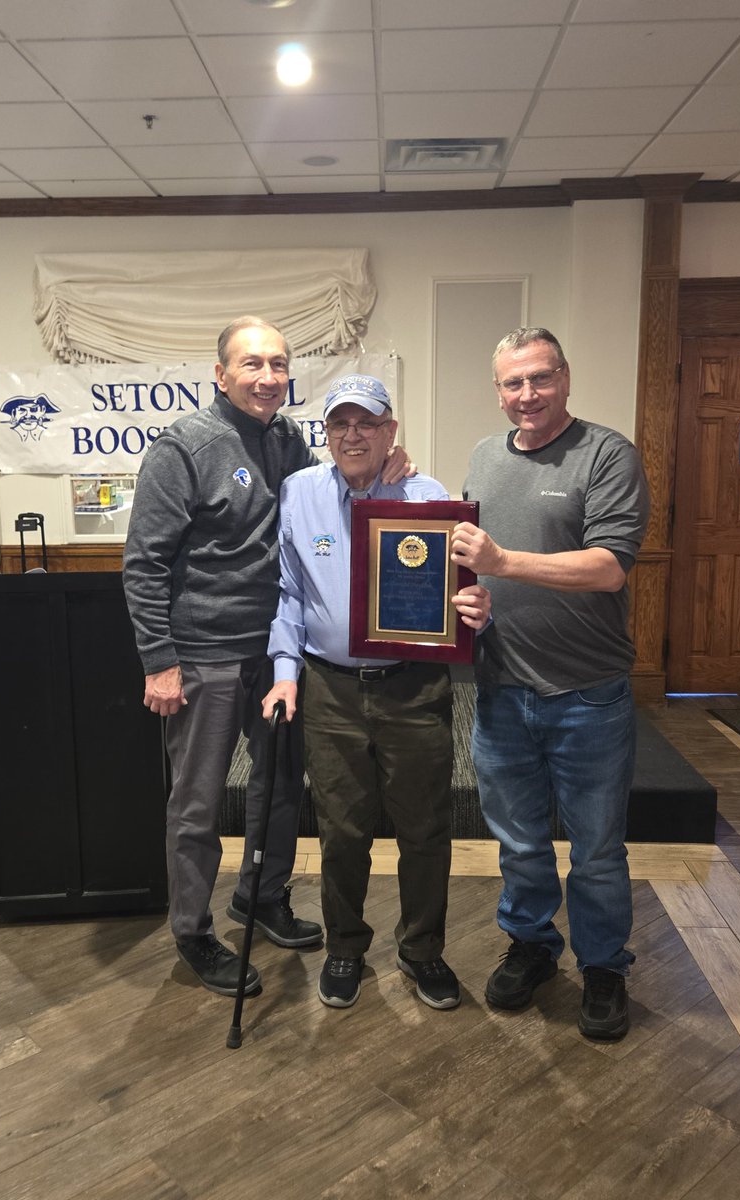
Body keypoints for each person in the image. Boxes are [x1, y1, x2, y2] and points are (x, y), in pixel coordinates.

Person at [122, 318, 410, 998]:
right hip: (204, 656)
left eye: (278, 364)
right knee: (197, 802)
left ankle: (261, 894)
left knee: (280, 785)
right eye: (252, 364)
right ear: (220, 374)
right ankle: (192, 930)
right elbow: (144, 564)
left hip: (280, 653)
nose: (268, 376)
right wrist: (160, 661)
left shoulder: (286, 441)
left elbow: (329, 498)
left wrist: (387, 470)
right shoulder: (184, 446)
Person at [263, 374, 490, 1010]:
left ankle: (423, 951)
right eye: (340, 423)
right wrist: (284, 673)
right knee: (342, 831)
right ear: (326, 433)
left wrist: (477, 608)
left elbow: (460, 590)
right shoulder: (299, 492)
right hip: (328, 690)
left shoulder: (426, 496)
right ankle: (344, 947)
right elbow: (288, 592)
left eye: (367, 423)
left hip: (412, 688)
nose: (353, 435)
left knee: (425, 829)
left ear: (391, 431)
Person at [450, 327, 649, 1040]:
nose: (527, 394)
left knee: (596, 849)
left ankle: (603, 967)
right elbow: (471, 566)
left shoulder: (607, 454)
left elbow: (609, 567)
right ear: (498, 390)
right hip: (501, 689)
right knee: (520, 843)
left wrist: (502, 562)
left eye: (540, 378)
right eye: (514, 382)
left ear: (565, 377)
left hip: (587, 694)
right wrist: (471, 602)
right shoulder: (483, 457)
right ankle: (532, 943)